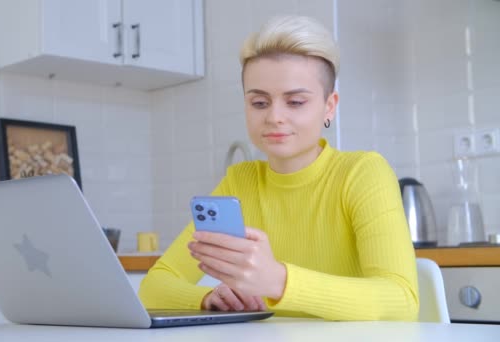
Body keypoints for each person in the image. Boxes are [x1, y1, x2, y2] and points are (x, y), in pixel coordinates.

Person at [138, 16, 419, 321]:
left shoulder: (363, 173)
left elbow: (401, 300)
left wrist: (279, 281)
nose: (274, 117)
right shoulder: (239, 182)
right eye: (259, 103)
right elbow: (154, 286)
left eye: (295, 102)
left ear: (329, 105)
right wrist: (209, 298)